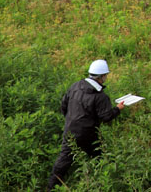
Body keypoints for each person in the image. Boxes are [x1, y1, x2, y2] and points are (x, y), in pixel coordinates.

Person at [47, 60, 125, 191]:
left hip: (70, 131)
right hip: (89, 135)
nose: (106, 77)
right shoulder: (100, 96)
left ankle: (52, 187)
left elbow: (63, 105)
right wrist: (118, 109)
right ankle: (104, 183)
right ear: (101, 77)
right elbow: (106, 117)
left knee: (63, 161)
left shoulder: (75, 86)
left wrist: (70, 120)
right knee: (99, 156)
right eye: (105, 75)